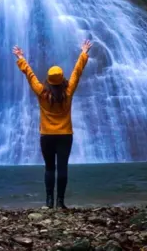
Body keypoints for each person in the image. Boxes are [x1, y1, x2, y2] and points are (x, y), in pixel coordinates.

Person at [13, 40, 92, 210]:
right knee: (62, 168)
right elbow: (77, 72)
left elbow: (30, 75)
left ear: (48, 80)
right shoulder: (68, 91)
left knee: (49, 168)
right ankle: (60, 202)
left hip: (47, 136)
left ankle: (48, 202)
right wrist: (84, 53)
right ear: (62, 79)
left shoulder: (42, 93)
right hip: (65, 135)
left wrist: (21, 58)